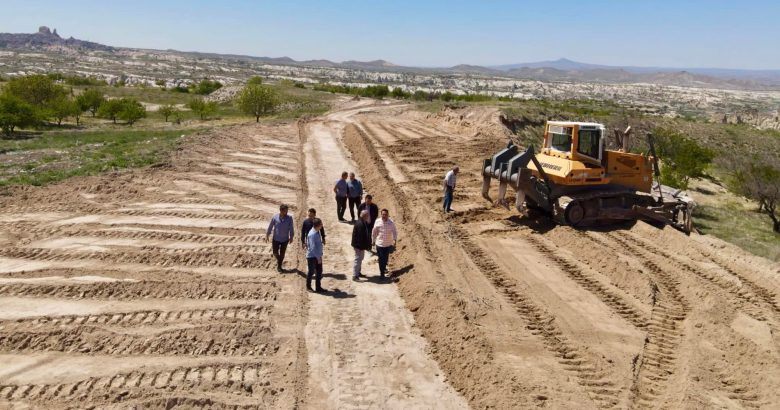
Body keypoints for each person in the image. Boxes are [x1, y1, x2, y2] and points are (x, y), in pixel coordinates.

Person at [265, 204, 294, 272]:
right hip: (276, 239)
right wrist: (267, 235)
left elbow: (291, 228)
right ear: (281, 211)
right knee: (275, 252)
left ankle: (279, 266)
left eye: (287, 211)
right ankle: (279, 259)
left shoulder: (289, 218)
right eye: (285, 211)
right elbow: (270, 226)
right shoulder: (275, 217)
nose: (286, 212)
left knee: (282, 253)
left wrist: (291, 236)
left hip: (285, 239)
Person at [371, 208, 397, 278]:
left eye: (385, 214)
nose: (384, 216)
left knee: (385, 258)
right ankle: (382, 274)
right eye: (382, 214)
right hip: (379, 244)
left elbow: (394, 231)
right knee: (381, 259)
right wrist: (373, 240)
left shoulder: (391, 223)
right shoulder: (377, 221)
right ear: (381, 214)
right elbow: (374, 231)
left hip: (388, 244)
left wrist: (394, 240)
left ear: (388, 215)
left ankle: (384, 268)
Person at [351, 210, 372, 281]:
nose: (368, 217)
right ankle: (355, 276)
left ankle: (358, 272)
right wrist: (362, 247)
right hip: (359, 245)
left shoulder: (363, 222)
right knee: (358, 259)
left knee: (360, 259)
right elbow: (360, 237)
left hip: (360, 245)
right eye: (367, 215)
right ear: (365, 216)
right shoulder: (360, 224)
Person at [306, 218, 325, 292]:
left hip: (317, 255)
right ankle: (308, 287)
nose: (322, 225)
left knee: (319, 271)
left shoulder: (316, 231)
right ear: (318, 225)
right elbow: (313, 248)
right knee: (311, 272)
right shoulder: (312, 234)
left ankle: (318, 287)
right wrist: (318, 258)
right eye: (321, 224)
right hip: (312, 256)